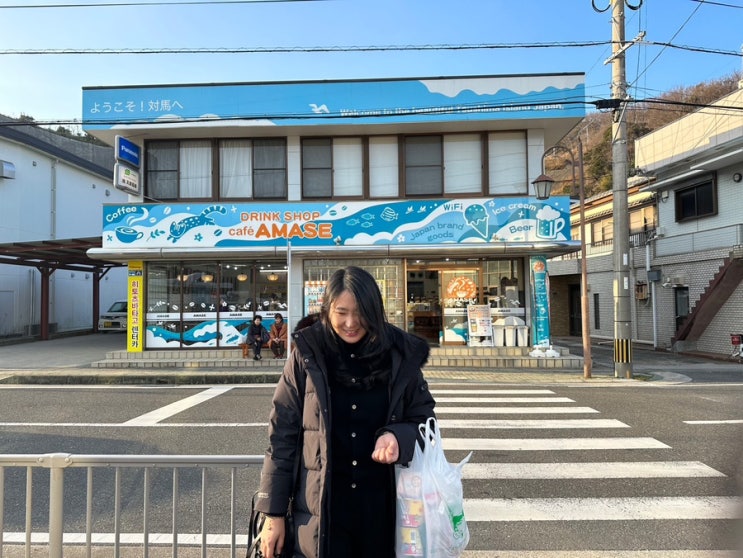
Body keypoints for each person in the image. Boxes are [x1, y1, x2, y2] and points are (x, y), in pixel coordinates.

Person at [255, 266, 436, 558]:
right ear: (327, 310)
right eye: (341, 312)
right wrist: (273, 513)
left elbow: (425, 423)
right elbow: (282, 436)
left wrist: (397, 437)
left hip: (384, 512)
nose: (351, 323)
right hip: (320, 512)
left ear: (375, 311)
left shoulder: (400, 356)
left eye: (360, 313)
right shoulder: (307, 353)